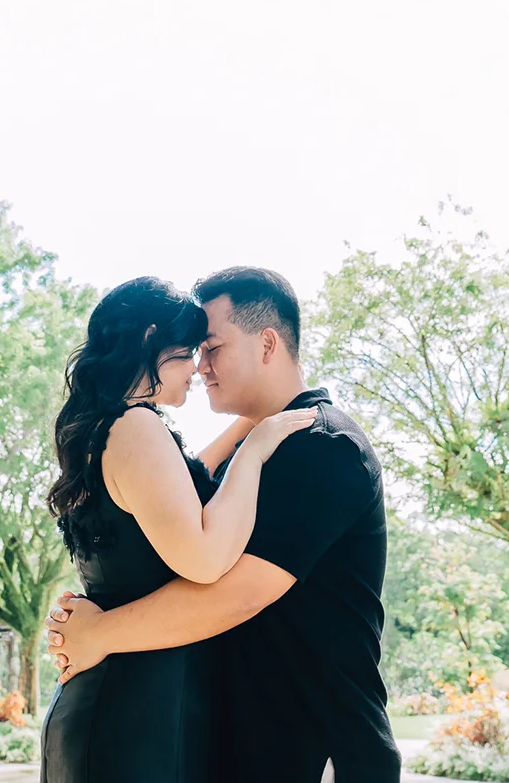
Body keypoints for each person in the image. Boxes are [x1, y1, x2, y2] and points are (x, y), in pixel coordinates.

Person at [48, 266, 401, 783]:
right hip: (227, 742)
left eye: (211, 347)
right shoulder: (251, 445)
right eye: (193, 349)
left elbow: (234, 593)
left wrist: (100, 632)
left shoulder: (322, 448)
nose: (200, 364)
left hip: (318, 748)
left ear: (266, 344)